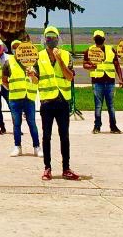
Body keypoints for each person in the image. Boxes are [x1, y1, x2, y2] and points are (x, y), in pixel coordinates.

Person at [35, 25, 81, 181]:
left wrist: (60, 59)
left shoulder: (66, 55)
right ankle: (47, 168)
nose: (51, 40)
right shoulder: (39, 56)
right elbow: (36, 79)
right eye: (48, 37)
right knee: (46, 136)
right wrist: (31, 74)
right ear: (44, 40)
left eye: (53, 37)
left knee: (64, 136)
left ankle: (66, 168)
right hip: (47, 101)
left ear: (58, 39)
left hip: (62, 101)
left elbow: (69, 77)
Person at [0, 44, 39, 156]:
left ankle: (37, 146)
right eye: (15, 48)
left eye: (19, 47)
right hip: (15, 98)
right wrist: (12, 88)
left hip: (29, 97)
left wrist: (32, 76)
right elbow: (4, 80)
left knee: (32, 123)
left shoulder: (32, 63)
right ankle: (17, 146)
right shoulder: (8, 63)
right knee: (16, 124)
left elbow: (37, 81)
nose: (17, 50)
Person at [84, 29, 123, 134]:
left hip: (110, 80)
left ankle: (113, 126)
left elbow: (117, 65)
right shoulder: (90, 50)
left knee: (111, 105)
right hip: (97, 81)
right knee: (98, 105)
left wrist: (121, 78)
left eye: (100, 38)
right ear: (94, 39)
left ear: (104, 39)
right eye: (97, 38)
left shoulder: (111, 50)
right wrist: (90, 66)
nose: (98, 39)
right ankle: (97, 126)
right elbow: (84, 64)